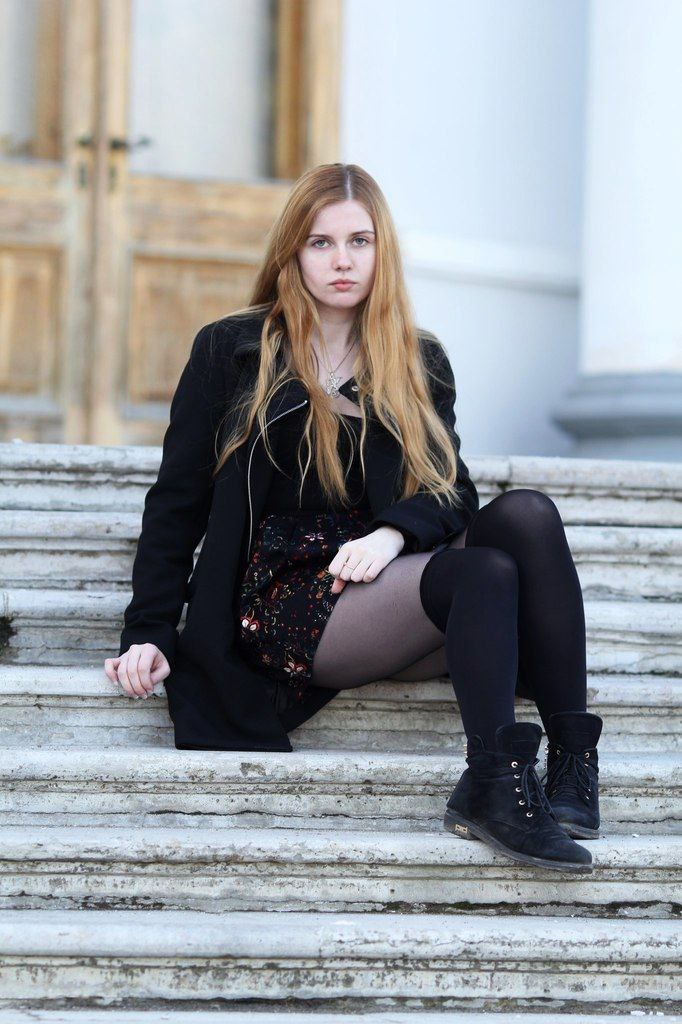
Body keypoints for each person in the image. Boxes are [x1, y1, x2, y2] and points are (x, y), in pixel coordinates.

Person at [106, 162, 602, 873]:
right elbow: (176, 501)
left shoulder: (416, 357)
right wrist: (149, 630)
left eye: (359, 242)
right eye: (321, 242)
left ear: (381, 250)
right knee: (483, 573)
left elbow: (453, 490)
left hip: (384, 570)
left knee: (528, 515)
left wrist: (392, 533)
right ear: (293, 252)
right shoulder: (233, 349)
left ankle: (572, 764)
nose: (342, 261)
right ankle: (493, 783)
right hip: (284, 592)